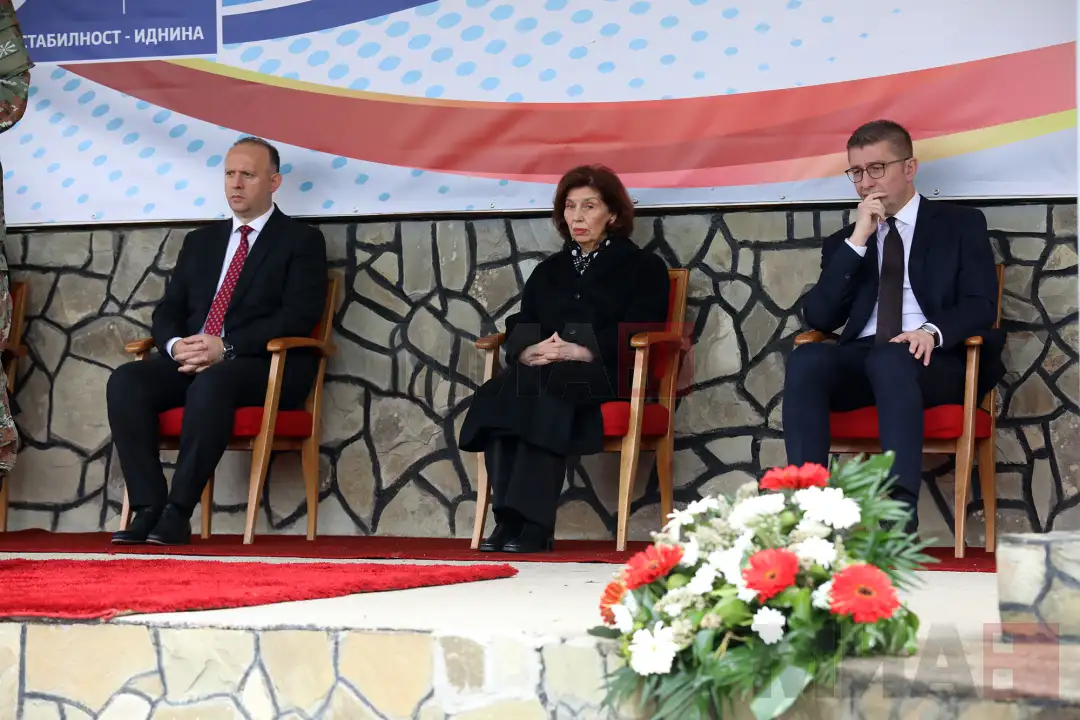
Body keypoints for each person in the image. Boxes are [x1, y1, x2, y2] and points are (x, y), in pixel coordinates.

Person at [782, 119, 1003, 532]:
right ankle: (808, 509)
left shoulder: (960, 225)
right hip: (864, 359)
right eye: (857, 172)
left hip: (931, 360)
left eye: (877, 168)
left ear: (910, 168)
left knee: (891, 359)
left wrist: (931, 332)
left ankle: (898, 516)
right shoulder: (846, 242)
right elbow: (821, 318)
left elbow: (980, 304)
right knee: (808, 359)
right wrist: (858, 241)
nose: (866, 182)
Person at [107, 137, 328, 545]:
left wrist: (225, 347)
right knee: (126, 381)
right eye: (230, 174)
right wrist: (176, 345)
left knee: (213, 382)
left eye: (248, 175)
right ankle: (149, 506)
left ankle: (177, 512)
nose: (236, 184)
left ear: (274, 182)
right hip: (193, 359)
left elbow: (298, 316)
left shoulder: (301, 241)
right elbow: (169, 309)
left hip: (263, 365)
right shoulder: (201, 242)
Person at [459, 165, 671, 553]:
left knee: (544, 388)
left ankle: (533, 524)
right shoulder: (549, 270)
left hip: (609, 372)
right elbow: (525, 320)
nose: (577, 216)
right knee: (505, 390)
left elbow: (643, 325)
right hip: (548, 373)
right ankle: (508, 521)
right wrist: (528, 350)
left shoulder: (643, 267)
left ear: (613, 213)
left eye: (589, 206)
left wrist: (583, 349)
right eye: (570, 207)